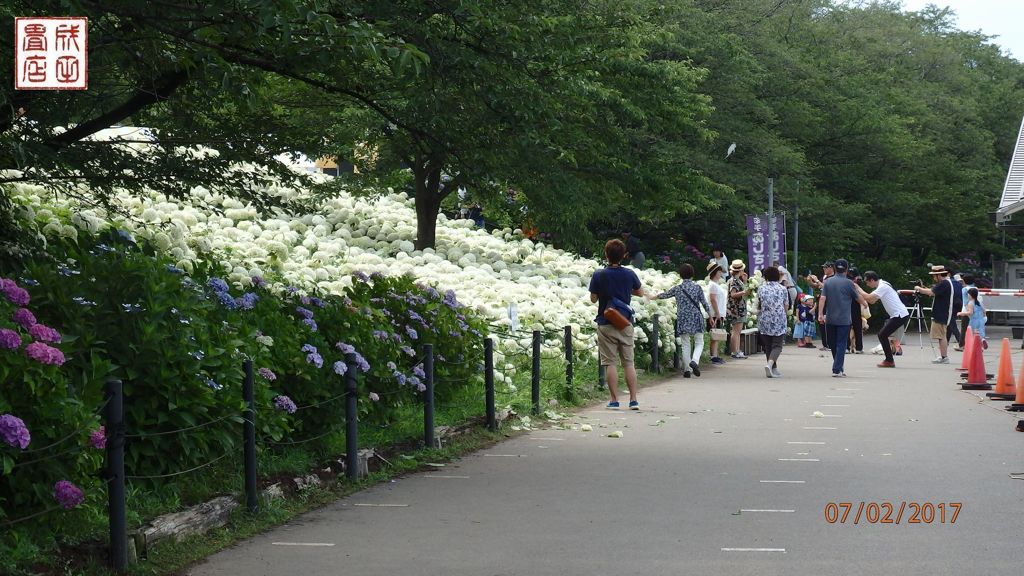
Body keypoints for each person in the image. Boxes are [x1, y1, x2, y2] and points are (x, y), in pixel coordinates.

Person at [589, 239, 645, 409]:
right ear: (624, 256)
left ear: (606, 255)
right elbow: (640, 293)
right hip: (624, 322)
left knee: (610, 363)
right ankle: (633, 399)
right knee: (628, 362)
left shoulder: (598, 274)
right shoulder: (629, 274)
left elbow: (593, 299)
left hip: (606, 321)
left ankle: (614, 400)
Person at [655, 263, 711, 378]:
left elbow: (665, 295)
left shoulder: (678, 288)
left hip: (683, 318)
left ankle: (687, 370)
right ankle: (694, 361)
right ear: (692, 274)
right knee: (699, 342)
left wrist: (652, 296)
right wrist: (710, 316)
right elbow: (704, 304)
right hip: (696, 317)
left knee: (685, 344)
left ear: (680, 275)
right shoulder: (697, 287)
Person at [818, 259, 867, 377]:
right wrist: (865, 304)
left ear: (834, 268)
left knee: (832, 343)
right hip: (844, 319)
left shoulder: (828, 282)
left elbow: (822, 298)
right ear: (846, 269)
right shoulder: (849, 283)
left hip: (830, 318)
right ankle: (838, 368)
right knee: (841, 344)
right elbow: (857, 297)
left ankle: (837, 367)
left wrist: (820, 313)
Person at [859, 271, 910, 368]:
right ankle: (889, 359)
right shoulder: (883, 285)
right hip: (899, 314)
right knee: (883, 335)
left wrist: (858, 289)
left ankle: (889, 360)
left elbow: (869, 298)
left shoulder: (883, 286)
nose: (867, 284)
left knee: (882, 335)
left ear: (872, 280)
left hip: (899, 314)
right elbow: (873, 301)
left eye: (867, 282)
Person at [914, 265, 955, 364]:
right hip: (942, 312)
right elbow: (932, 291)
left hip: (941, 313)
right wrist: (923, 288)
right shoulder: (945, 283)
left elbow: (931, 292)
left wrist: (919, 288)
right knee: (942, 335)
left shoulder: (944, 283)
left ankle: (944, 357)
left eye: (934, 275)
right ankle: (943, 356)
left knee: (941, 336)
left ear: (938, 275)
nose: (933, 278)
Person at [757, 266, 791, 378]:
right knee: (777, 345)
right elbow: (786, 305)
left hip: (764, 318)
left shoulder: (761, 288)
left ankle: (773, 369)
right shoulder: (782, 289)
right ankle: (770, 364)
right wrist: (784, 315)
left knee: (768, 346)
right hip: (778, 319)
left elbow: (759, 304)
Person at [726, 259, 752, 359]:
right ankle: (734, 351)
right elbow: (732, 294)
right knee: (736, 331)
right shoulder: (734, 281)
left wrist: (745, 281)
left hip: (739, 308)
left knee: (737, 331)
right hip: (736, 309)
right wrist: (743, 292)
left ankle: (736, 350)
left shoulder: (737, 280)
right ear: (740, 271)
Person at [809, 261, 836, 351]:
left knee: (826, 322)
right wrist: (810, 281)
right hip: (820, 303)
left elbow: (826, 287)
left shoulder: (834, 278)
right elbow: (816, 286)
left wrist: (816, 280)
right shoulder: (824, 277)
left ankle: (829, 344)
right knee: (821, 322)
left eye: (826, 267)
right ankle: (825, 344)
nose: (824, 269)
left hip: (829, 303)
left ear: (831, 268)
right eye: (823, 267)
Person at [706, 262, 728, 365]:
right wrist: (718, 313)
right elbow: (713, 299)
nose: (721, 273)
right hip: (715, 314)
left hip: (718, 313)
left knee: (716, 336)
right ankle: (713, 356)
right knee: (714, 335)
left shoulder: (715, 285)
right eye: (719, 271)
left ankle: (715, 355)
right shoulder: (713, 285)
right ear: (715, 272)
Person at [958, 274, 981, 347]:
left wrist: (967, 311)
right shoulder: (976, 288)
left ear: (964, 281)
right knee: (974, 329)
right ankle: (975, 344)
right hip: (976, 311)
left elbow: (965, 302)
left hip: (966, 311)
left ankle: (962, 345)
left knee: (964, 329)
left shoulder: (964, 289)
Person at [847, 267, 864, 354]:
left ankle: (847, 347)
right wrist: (864, 303)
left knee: (847, 327)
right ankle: (859, 348)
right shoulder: (854, 282)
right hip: (854, 305)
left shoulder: (845, 280)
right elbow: (858, 295)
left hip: (847, 306)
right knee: (857, 327)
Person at [947, 273, 964, 350]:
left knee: (952, 324)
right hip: (959, 306)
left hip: (951, 306)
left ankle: (961, 343)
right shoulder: (961, 286)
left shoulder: (951, 283)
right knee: (950, 324)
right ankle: (946, 341)